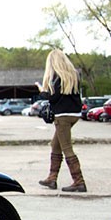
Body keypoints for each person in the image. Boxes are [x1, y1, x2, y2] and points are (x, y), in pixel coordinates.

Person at [36, 49, 85, 192]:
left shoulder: (57, 77)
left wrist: (42, 90)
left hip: (62, 116)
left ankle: (79, 181)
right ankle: (52, 179)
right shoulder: (74, 75)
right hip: (74, 114)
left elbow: (53, 98)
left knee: (67, 148)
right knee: (55, 145)